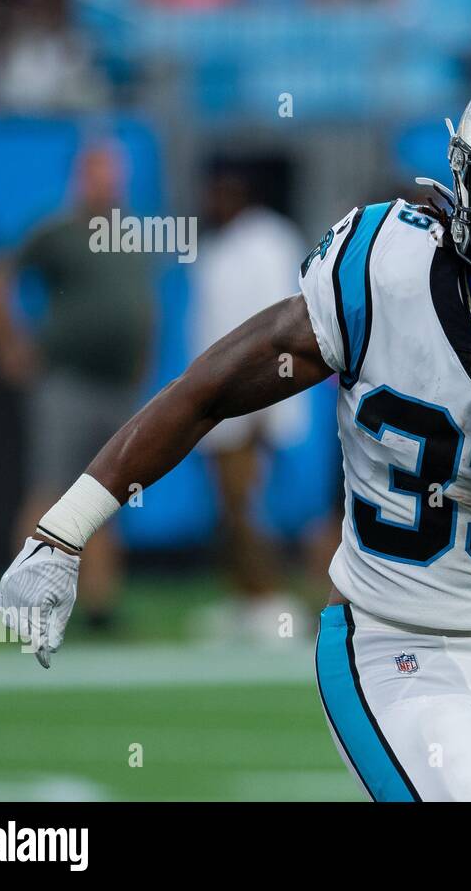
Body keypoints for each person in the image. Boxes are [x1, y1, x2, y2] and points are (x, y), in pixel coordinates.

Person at [0, 59, 471, 801]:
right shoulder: (386, 266)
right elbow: (205, 392)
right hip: (391, 645)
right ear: (467, 186)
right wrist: (64, 530)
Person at [0, 140, 152, 632]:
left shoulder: (129, 234)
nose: (108, 182)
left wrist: (141, 366)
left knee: (108, 497)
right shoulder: (59, 230)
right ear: (80, 177)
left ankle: (99, 608)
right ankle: (25, 604)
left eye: (114, 173)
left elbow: (141, 307)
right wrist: (9, 347)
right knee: (50, 491)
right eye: (98, 172)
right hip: (68, 383)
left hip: (118, 387)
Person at [187, 160, 312, 642]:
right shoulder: (219, 247)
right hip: (216, 404)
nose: (211, 204)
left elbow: (282, 324)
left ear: (239, 193)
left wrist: (267, 406)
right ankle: (246, 599)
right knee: (230, 509)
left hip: (254, 401)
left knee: (251, 507)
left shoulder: (271, 241)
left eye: (220, 194)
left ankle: (273, 604)